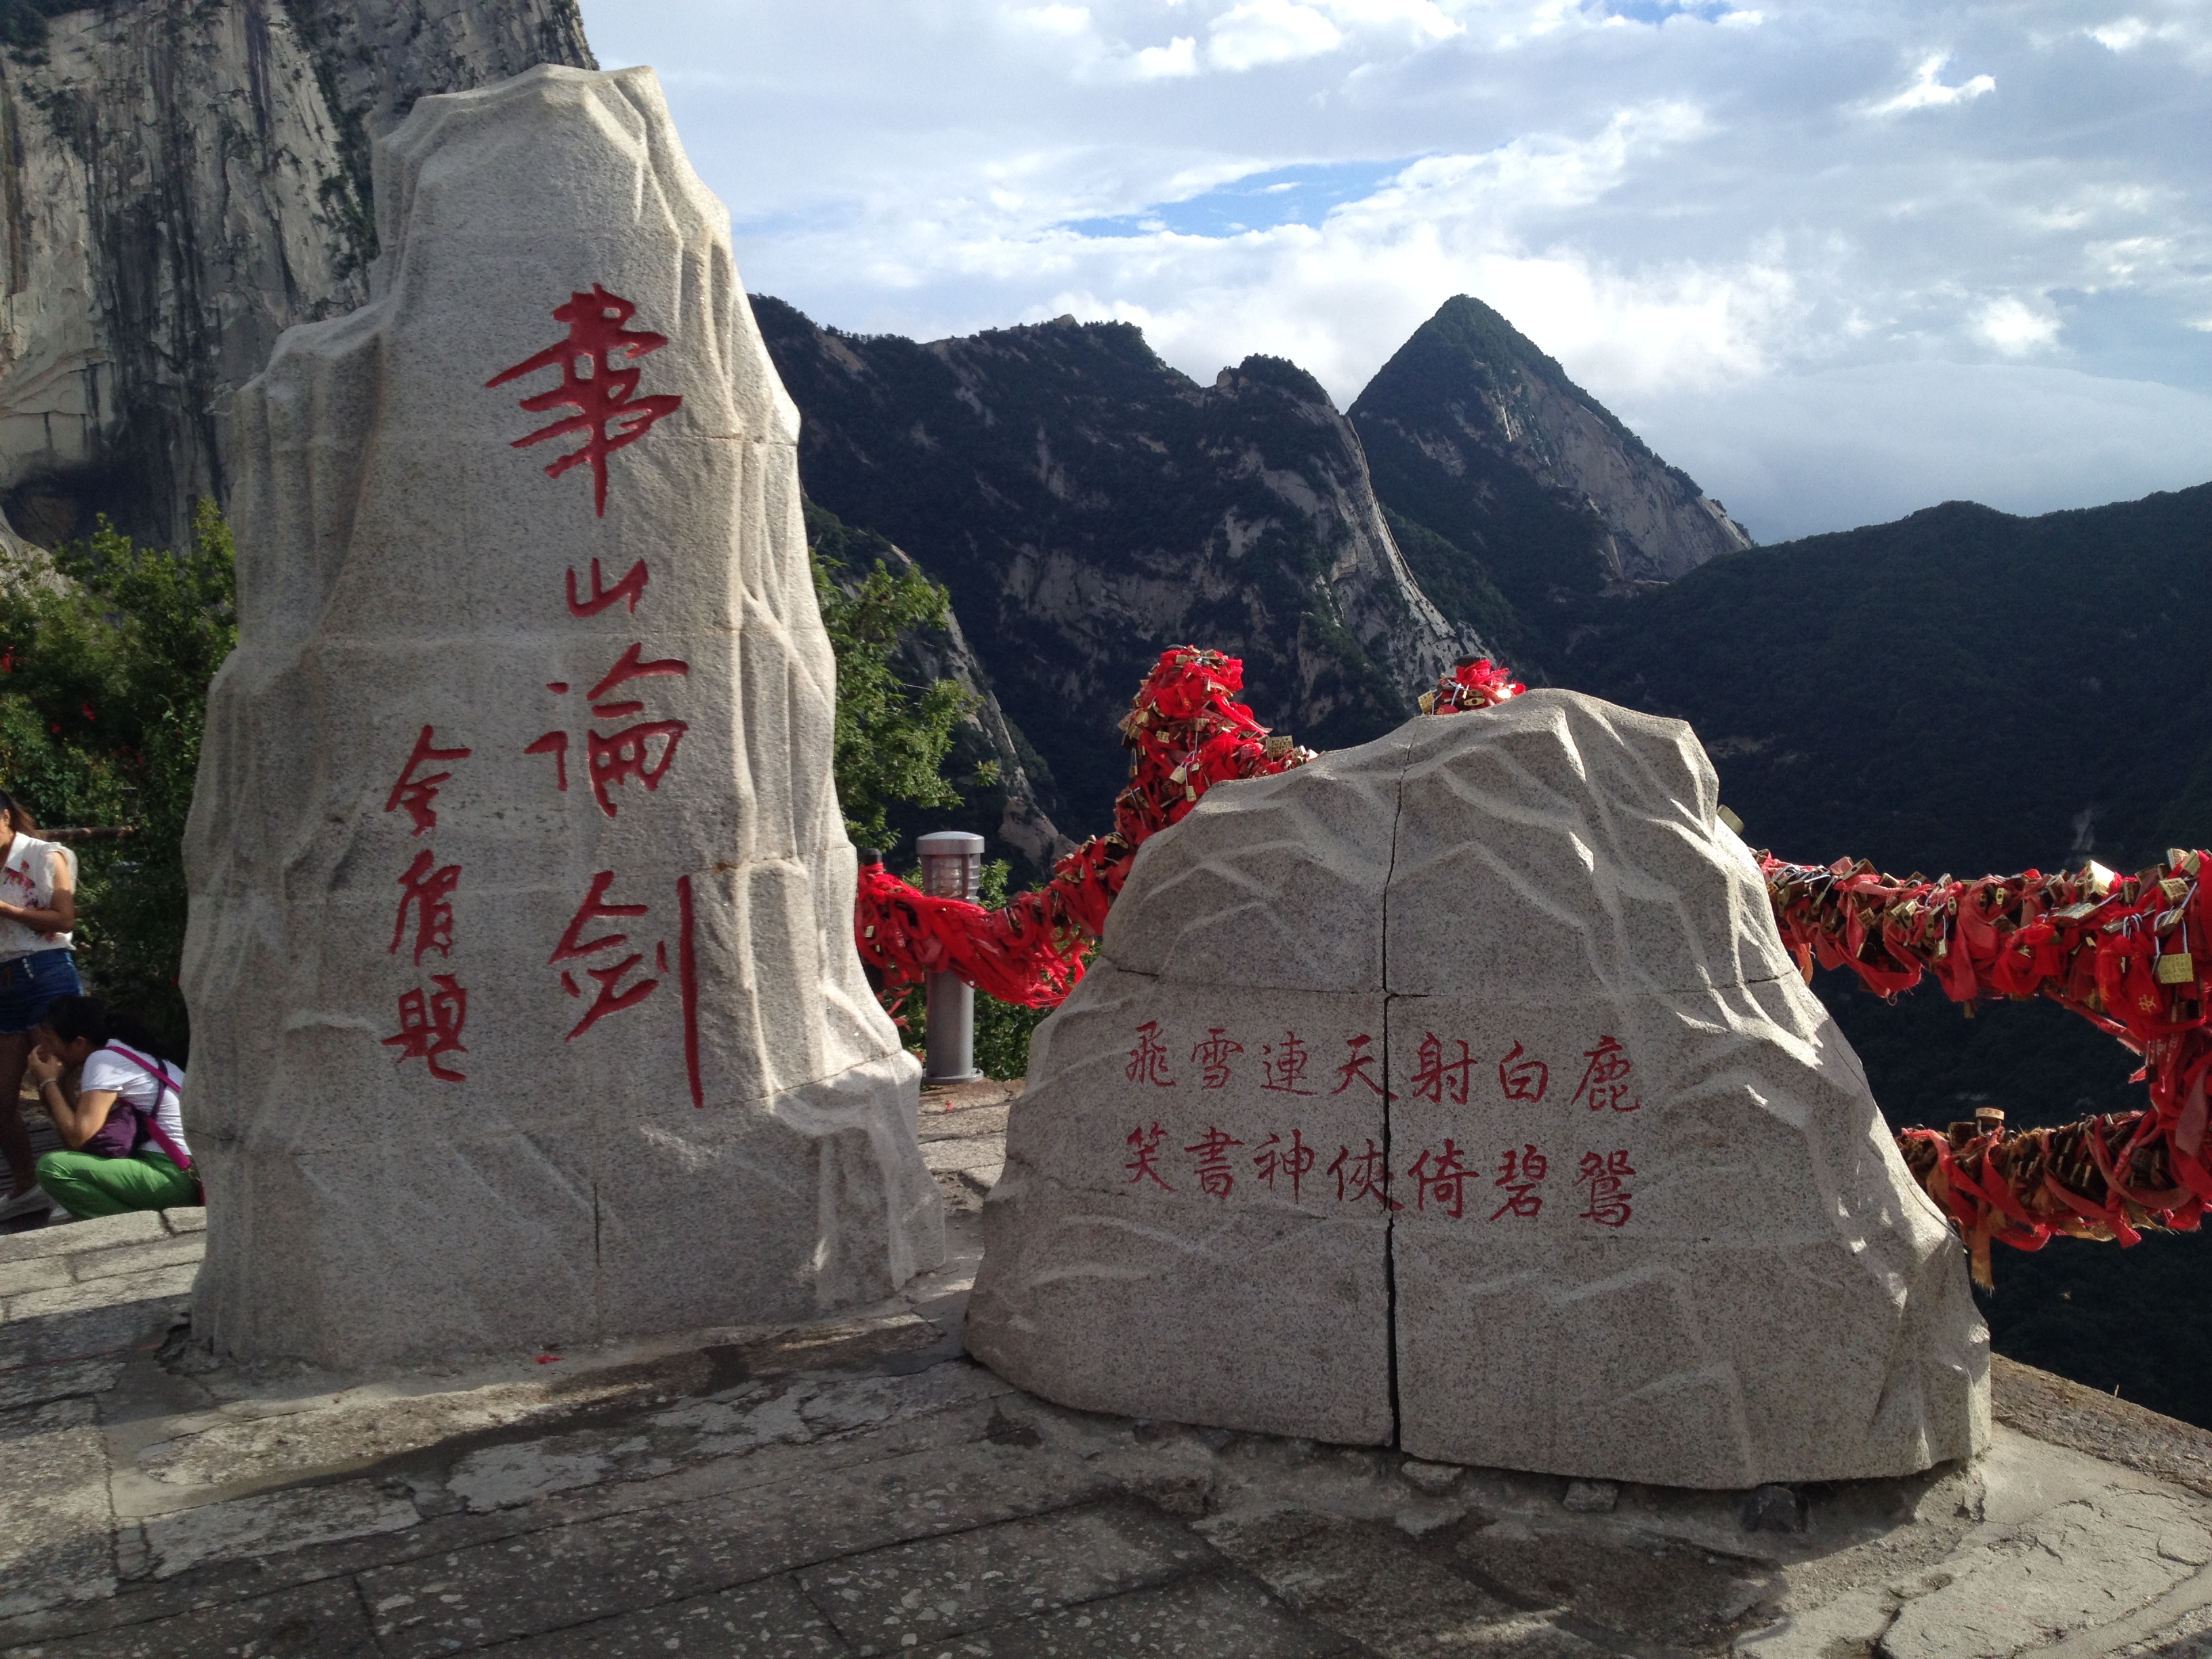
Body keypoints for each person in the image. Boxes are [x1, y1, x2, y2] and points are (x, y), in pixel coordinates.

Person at [26, 995, 196, 1219]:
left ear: (79, 1043)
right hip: (188, 1170)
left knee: (52, 1168)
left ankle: (133, 1224)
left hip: (173, 1174)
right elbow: (87, 1138)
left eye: (50, 1041)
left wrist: (48, 1082)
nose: (46, 1049)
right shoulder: (131, 1052)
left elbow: (78, 1136)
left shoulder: (103, 1060)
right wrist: (62, 1082)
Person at [0, 790, 78, 1221]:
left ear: (5, 817)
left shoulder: (46, 855)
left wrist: (6, 909)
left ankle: (75, 1182)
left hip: (45, 971)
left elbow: (65, 919)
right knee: (2, 1099)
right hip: (4, 981)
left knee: (57, 1083)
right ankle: (27, 1185)